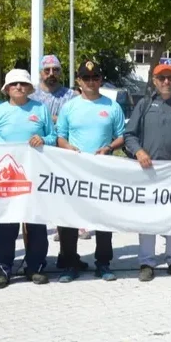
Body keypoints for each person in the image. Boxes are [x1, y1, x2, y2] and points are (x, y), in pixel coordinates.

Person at [124, 63, 171, 282]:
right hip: (149, 171)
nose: (166, 82)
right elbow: (129, 135)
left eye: (169, 78)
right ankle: (147, 262)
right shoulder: (145, 104)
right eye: (161, 78)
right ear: (154, 81)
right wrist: (138, 151)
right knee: (148, 217)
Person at [0, 69, 57, 289]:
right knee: (6, 223)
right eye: (14, 84)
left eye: (23, 84)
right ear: (7, 88)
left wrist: (43, 138)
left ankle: (35, 266)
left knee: (36, 222)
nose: (19, 87)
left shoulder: (40, 109)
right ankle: (2, 268)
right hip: (8, 178)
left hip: (36, 175)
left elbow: (53, 136)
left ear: (29, 88)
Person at [55, 61, 125, 282]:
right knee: (70, 220)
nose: (91, 82)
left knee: (104, 219)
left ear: (101, 80)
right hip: (74, 171)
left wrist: (110, 147)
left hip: (102, 171)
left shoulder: (112, 106)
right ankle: (70, 263)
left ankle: (103, 263)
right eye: (87, 78)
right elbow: (60, 136)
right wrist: (68, 148)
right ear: (79, 81)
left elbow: (122, 135)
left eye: (95, 78)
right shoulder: (69, 107)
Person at [31, 54, 76, 123]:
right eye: (47, 70)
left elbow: (74, 120)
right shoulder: (31, 94)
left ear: (60, 72)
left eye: (55, 70)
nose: (51, 73)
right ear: (40, 72)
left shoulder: (70, 96)